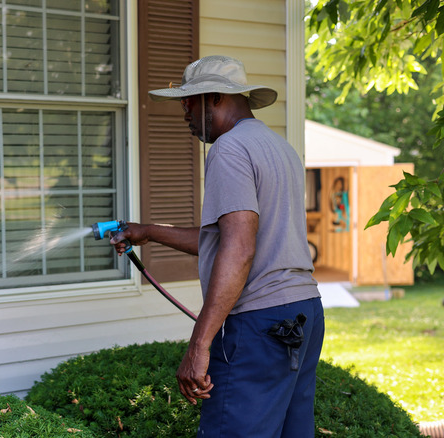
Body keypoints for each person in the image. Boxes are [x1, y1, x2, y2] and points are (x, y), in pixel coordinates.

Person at [110, 55, 325, 437]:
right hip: (304, 313)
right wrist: (148, 232)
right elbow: (231, 239)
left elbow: (239, 250)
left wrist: (199, 344)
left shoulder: (228, 149)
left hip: (260, 323)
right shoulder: (279, 148)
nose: (184, 111)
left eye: (188, 101)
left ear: (215, 99)